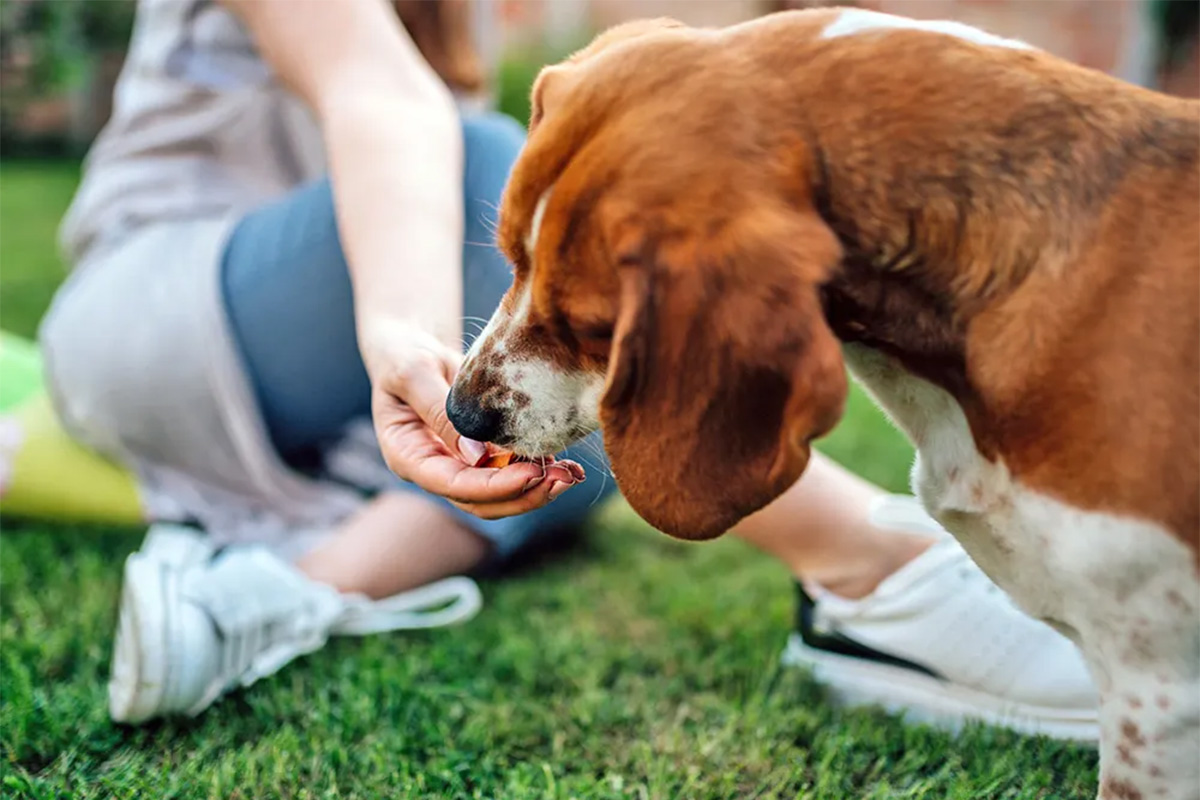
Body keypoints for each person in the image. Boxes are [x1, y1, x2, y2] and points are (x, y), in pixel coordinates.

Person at [39, 0, 1097, 738]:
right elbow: (383, 100)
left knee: (567, 444)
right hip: (156, 305)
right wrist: (404, 335)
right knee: (515, 154)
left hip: (308, 350)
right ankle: (868, 566)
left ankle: (266, 596)